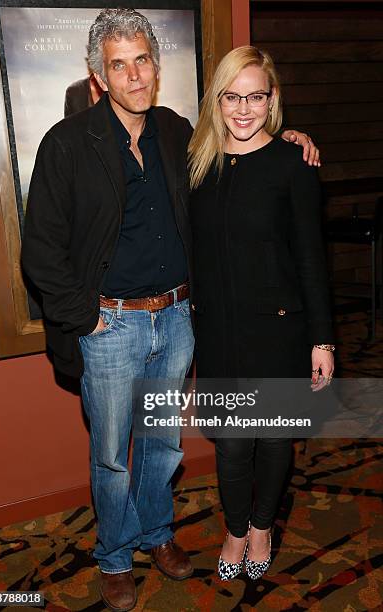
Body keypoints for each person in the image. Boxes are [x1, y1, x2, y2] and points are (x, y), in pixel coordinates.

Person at [21, 7, 321, 609]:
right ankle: (113, 557)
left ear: (156, 67)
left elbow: (246, 161)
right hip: (109, 327)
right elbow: (40, 249)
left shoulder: (179, 132)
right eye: (118, 65)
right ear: (98, 75)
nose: (133, 76)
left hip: (178, 320)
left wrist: (292, 139)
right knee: (110, 453)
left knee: (163, 445)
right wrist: (84, 316)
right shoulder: (67, 144)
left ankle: (157, 536)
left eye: (142, 61)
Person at [188, 46, 334, 581]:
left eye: (256, 96)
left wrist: (323, 340)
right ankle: (233, 529)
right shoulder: (197, 161)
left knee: (272, 439)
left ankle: (263, 526)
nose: (244, 108)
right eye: (233, 95)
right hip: (221, 332)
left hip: (279, 329)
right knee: (231, 443)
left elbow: (312, 259)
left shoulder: (293, 163)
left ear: (272, 100)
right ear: (218, 99)